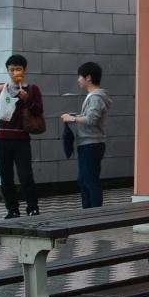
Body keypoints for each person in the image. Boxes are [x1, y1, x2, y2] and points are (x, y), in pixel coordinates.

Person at [0, 53, 42, 218]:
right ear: (7, 71)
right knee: (6, 177)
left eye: (18, 69)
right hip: (2, 139)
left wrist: (27, 100)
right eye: (11, 70)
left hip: (21, 140)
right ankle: (12, 209)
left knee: (26, 176)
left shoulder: (32, 89)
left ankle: (33, 208)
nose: (14, 72)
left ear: (24, 70)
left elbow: (38, 110)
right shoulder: (3, 88)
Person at [60, 61, 109, 208]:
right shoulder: (94, 96)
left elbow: (92, 119)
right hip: (88, 144)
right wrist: (75, 116)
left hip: (91, 144)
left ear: (88, 77)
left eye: (80, 76)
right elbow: (90, 117)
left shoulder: (95, 97)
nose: (78, 80)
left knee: (90, 181)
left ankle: (94, 214)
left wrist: (72, 119)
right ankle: (87, 212)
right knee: (83, 180)